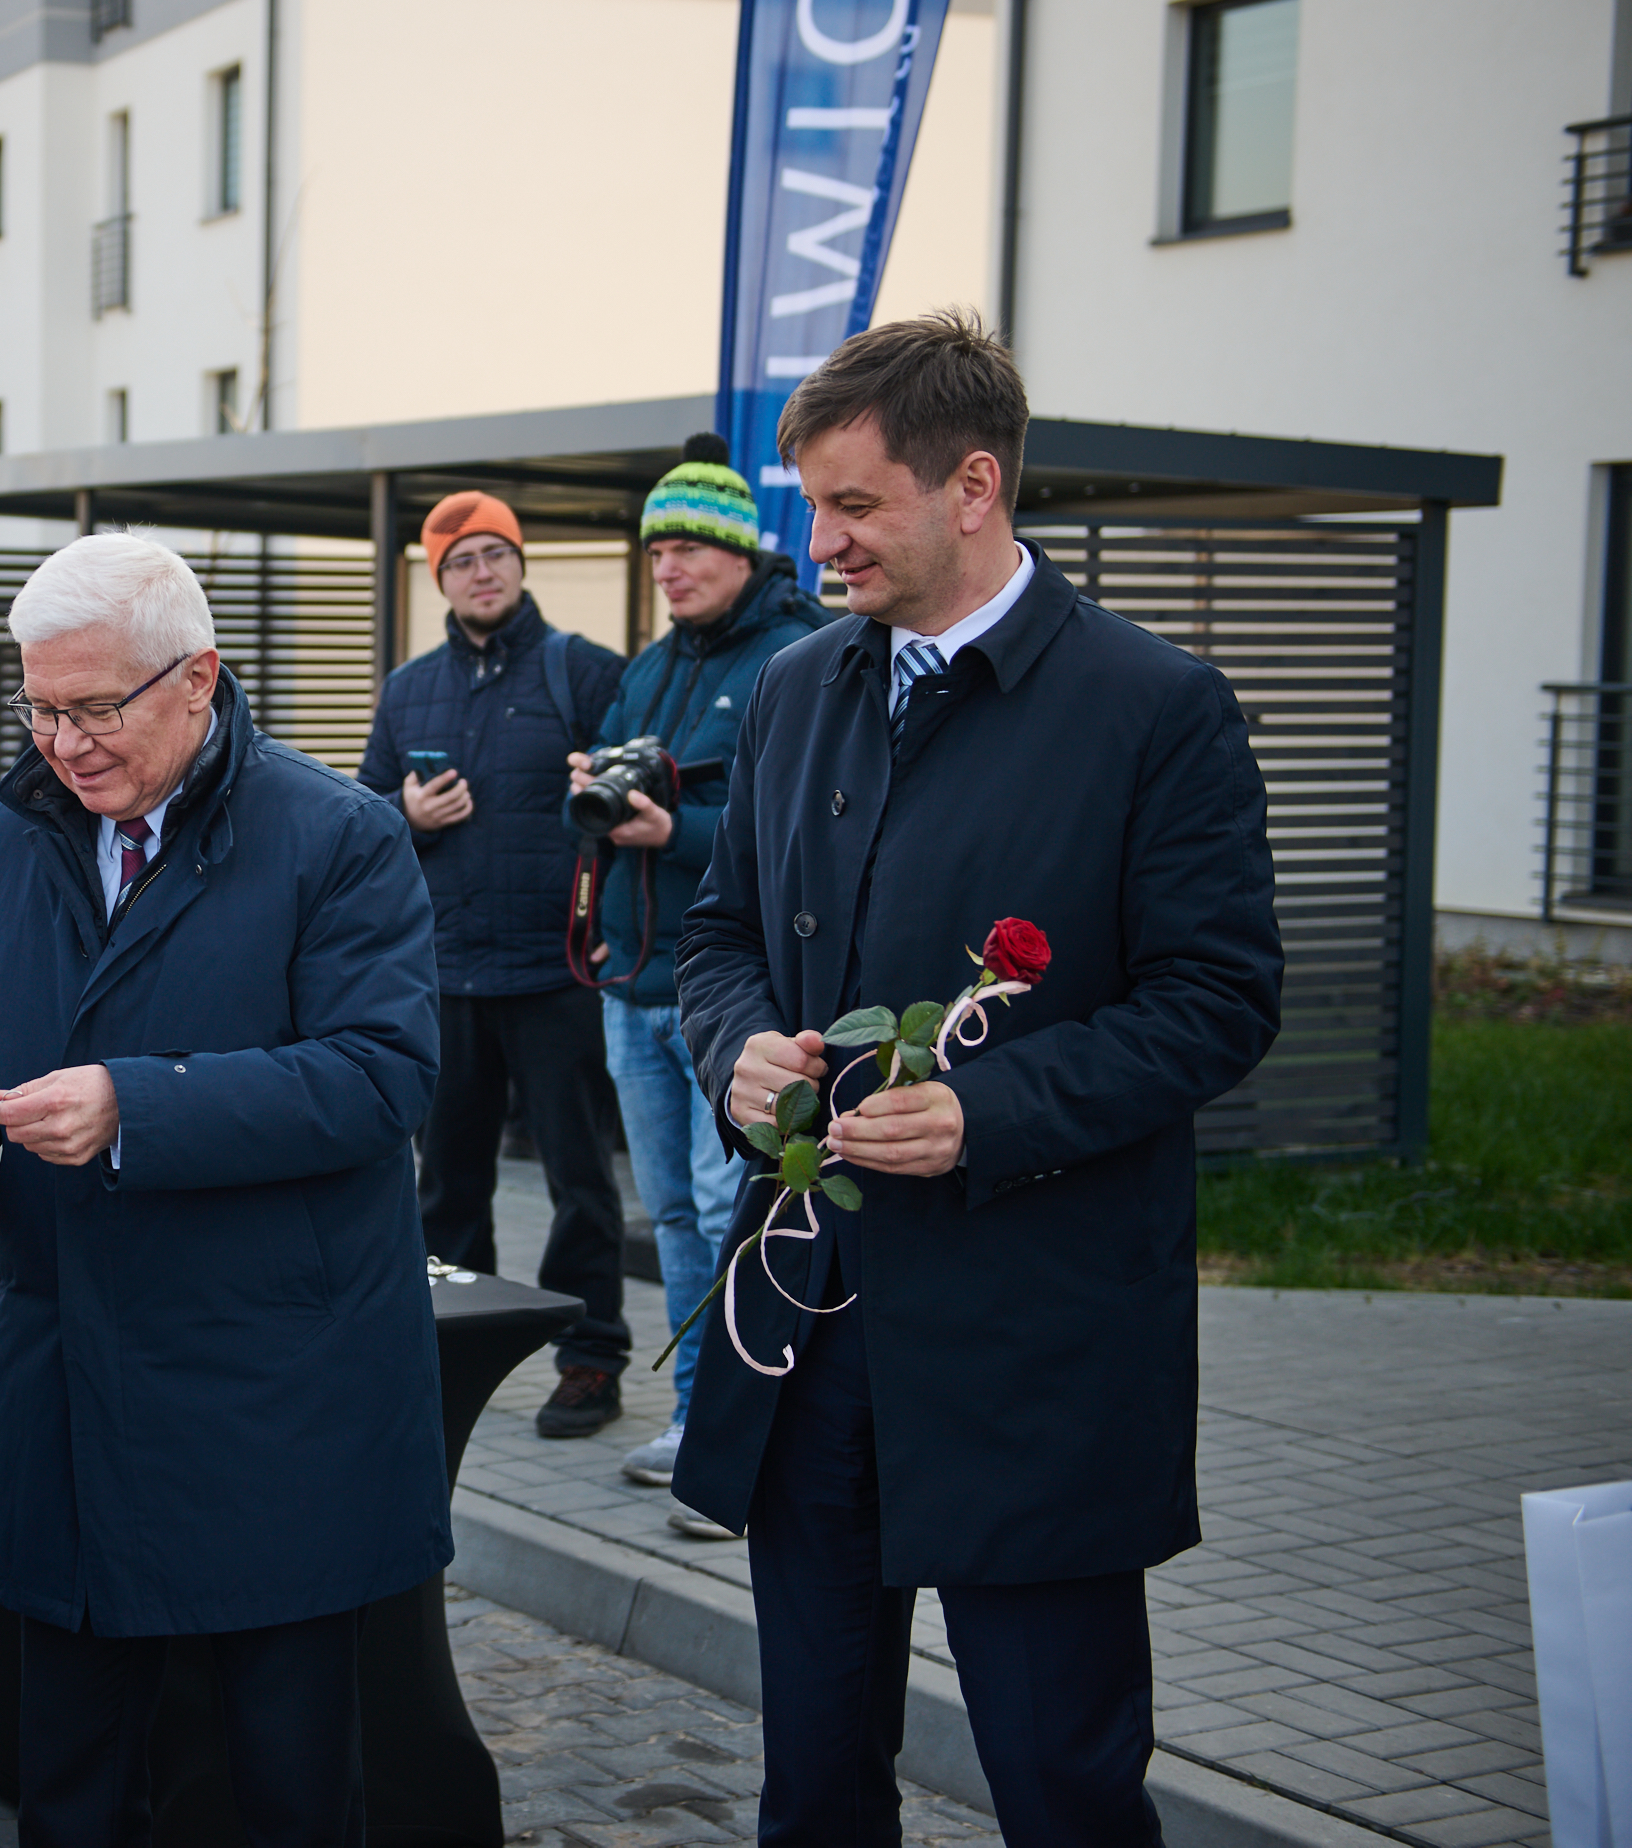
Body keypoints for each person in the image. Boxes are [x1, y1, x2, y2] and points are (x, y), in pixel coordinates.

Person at [672, 312, 1282, 1844]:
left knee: (1061, 1784)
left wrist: (984, 1112)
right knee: (811, 1780)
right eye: (807, 505)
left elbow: (1218, 1001)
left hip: (1038, 1345)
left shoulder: (1157, 707)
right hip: (808, 1329)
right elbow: (720, 933)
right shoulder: (799, 688)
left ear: (974, 486)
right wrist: (732, 1045)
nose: (819, 542)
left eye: (853, 505)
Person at [0, 532, 448, 1848]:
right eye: (39, 705)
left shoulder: (338, 836)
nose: (62, 742)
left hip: (271, 1399)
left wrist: (138, 1106)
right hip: (72, 1377)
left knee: (288, 1789)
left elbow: (381, 1074)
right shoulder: (12, 831)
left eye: (93, 708)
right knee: (73, 1790)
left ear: (198, 680)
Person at [570, 436, 827, 1518]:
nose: (667, 568)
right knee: (672, 1212)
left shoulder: (799, 654)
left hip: (731, 996)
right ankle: (690, 1413)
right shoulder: (652, 663)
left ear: (736, 549)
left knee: (736, 1206)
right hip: (633, 982)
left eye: (686, 548)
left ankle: (746, 1422)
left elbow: (805, 831)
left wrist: (675, 831)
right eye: (656, 550)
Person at [355, 492, 629, 1438]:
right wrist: (405, 813)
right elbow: (359, 825)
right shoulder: (407, 688)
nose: (482, 571)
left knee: (578, 1176)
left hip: (556, 971)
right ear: (439, 576)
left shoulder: (584, 671)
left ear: (519, 566)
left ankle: (591, 1355)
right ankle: (440, 1346)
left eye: (495, 554)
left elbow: (631, 798)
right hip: (445, 972)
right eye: (461, 558)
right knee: (446, 1185)